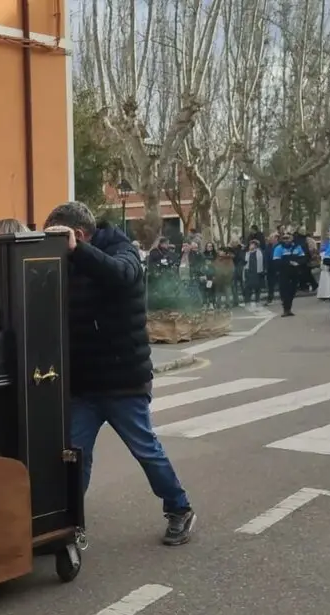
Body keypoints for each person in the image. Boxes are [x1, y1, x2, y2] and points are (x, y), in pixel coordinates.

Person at [42, 201, 196, 546]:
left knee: (146, 450)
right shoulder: (65, 261)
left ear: (77, 234)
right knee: (74, 455)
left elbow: (120, 275)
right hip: (84, 383)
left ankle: (179, 508)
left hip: (123, 381)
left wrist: (76, 250)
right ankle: (69, 520)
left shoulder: (121, 251)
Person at [272, 234, 306, 316]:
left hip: (294, 272)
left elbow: (303, 258)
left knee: (292, 291)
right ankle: (285, 309)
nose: (286, 240)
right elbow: (276, 261)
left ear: (292, 239)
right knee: (284, 291)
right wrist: (289, 263)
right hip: (283, 273)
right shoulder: (279, 248)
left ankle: (289, 308)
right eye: (284, 238)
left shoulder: (297, 247)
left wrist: (298, 263)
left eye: (288, 238)